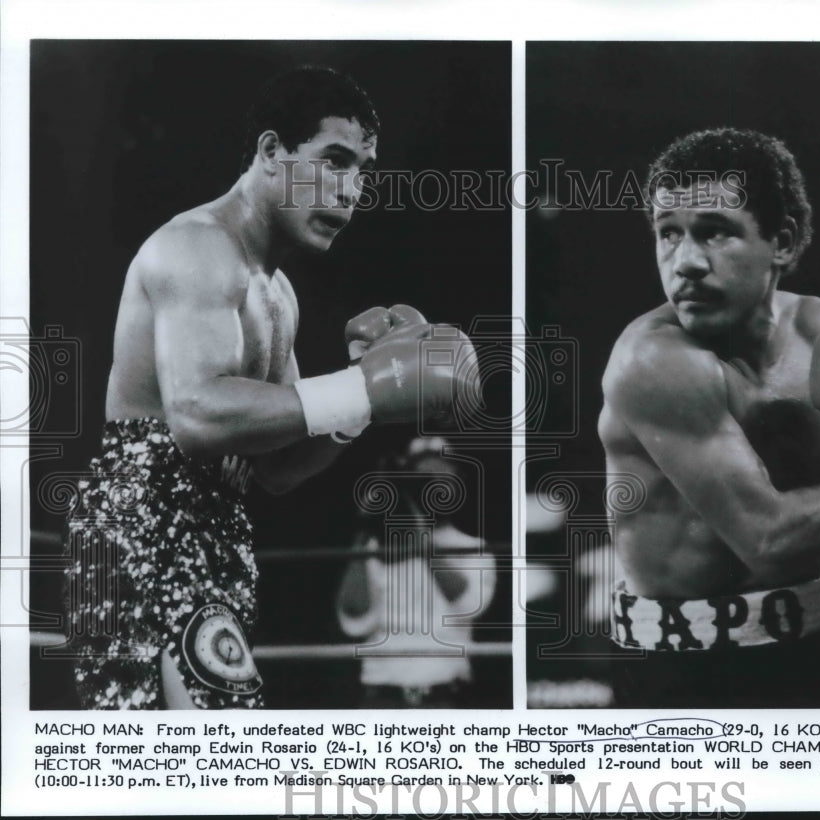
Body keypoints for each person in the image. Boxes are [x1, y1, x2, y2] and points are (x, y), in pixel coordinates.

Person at [63, 66, 480, 709]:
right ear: (270, 152)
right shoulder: (197, 249)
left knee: (196, 774)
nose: (350, 189)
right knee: (191, 766)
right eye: (333, 160)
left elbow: (280, 467)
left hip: (214, 527)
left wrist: (359, 399)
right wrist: (360, 388)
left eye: (362, 171)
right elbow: (198, 416)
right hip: (142, 526)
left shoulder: (277, 295)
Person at [598, 128, 820, 707]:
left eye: (715, 232)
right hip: (680, 672)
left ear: (784, 243)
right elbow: (768, 540)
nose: (686, 262)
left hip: (818, 644)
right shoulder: (652, 361)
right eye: (668, 234)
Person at [336, 436, 497, 708]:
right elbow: (353, 621)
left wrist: (422, 541)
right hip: (381, 696)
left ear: (459, 484)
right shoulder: (372, 549)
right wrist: (365, 528)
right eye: (422, 480)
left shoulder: (473, 548)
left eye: (441, 478)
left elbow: (471, 605)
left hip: (444, 696)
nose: (433, 490)